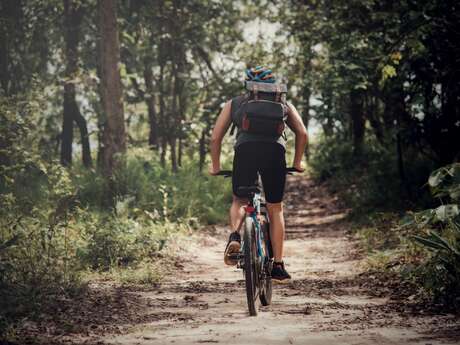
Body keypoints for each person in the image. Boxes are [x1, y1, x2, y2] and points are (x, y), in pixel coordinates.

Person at [209, 66, 308, 282]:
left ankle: (235, 235)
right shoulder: (282, 103)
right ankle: (279, 264)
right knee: (275, 207)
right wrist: (297, 162)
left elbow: (216, 137)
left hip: (245, 152)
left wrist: (215, 166)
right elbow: (302, 132)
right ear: (274, 86)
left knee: (239, 200)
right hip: (275, 153)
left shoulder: (235, 103)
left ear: (248, 85)